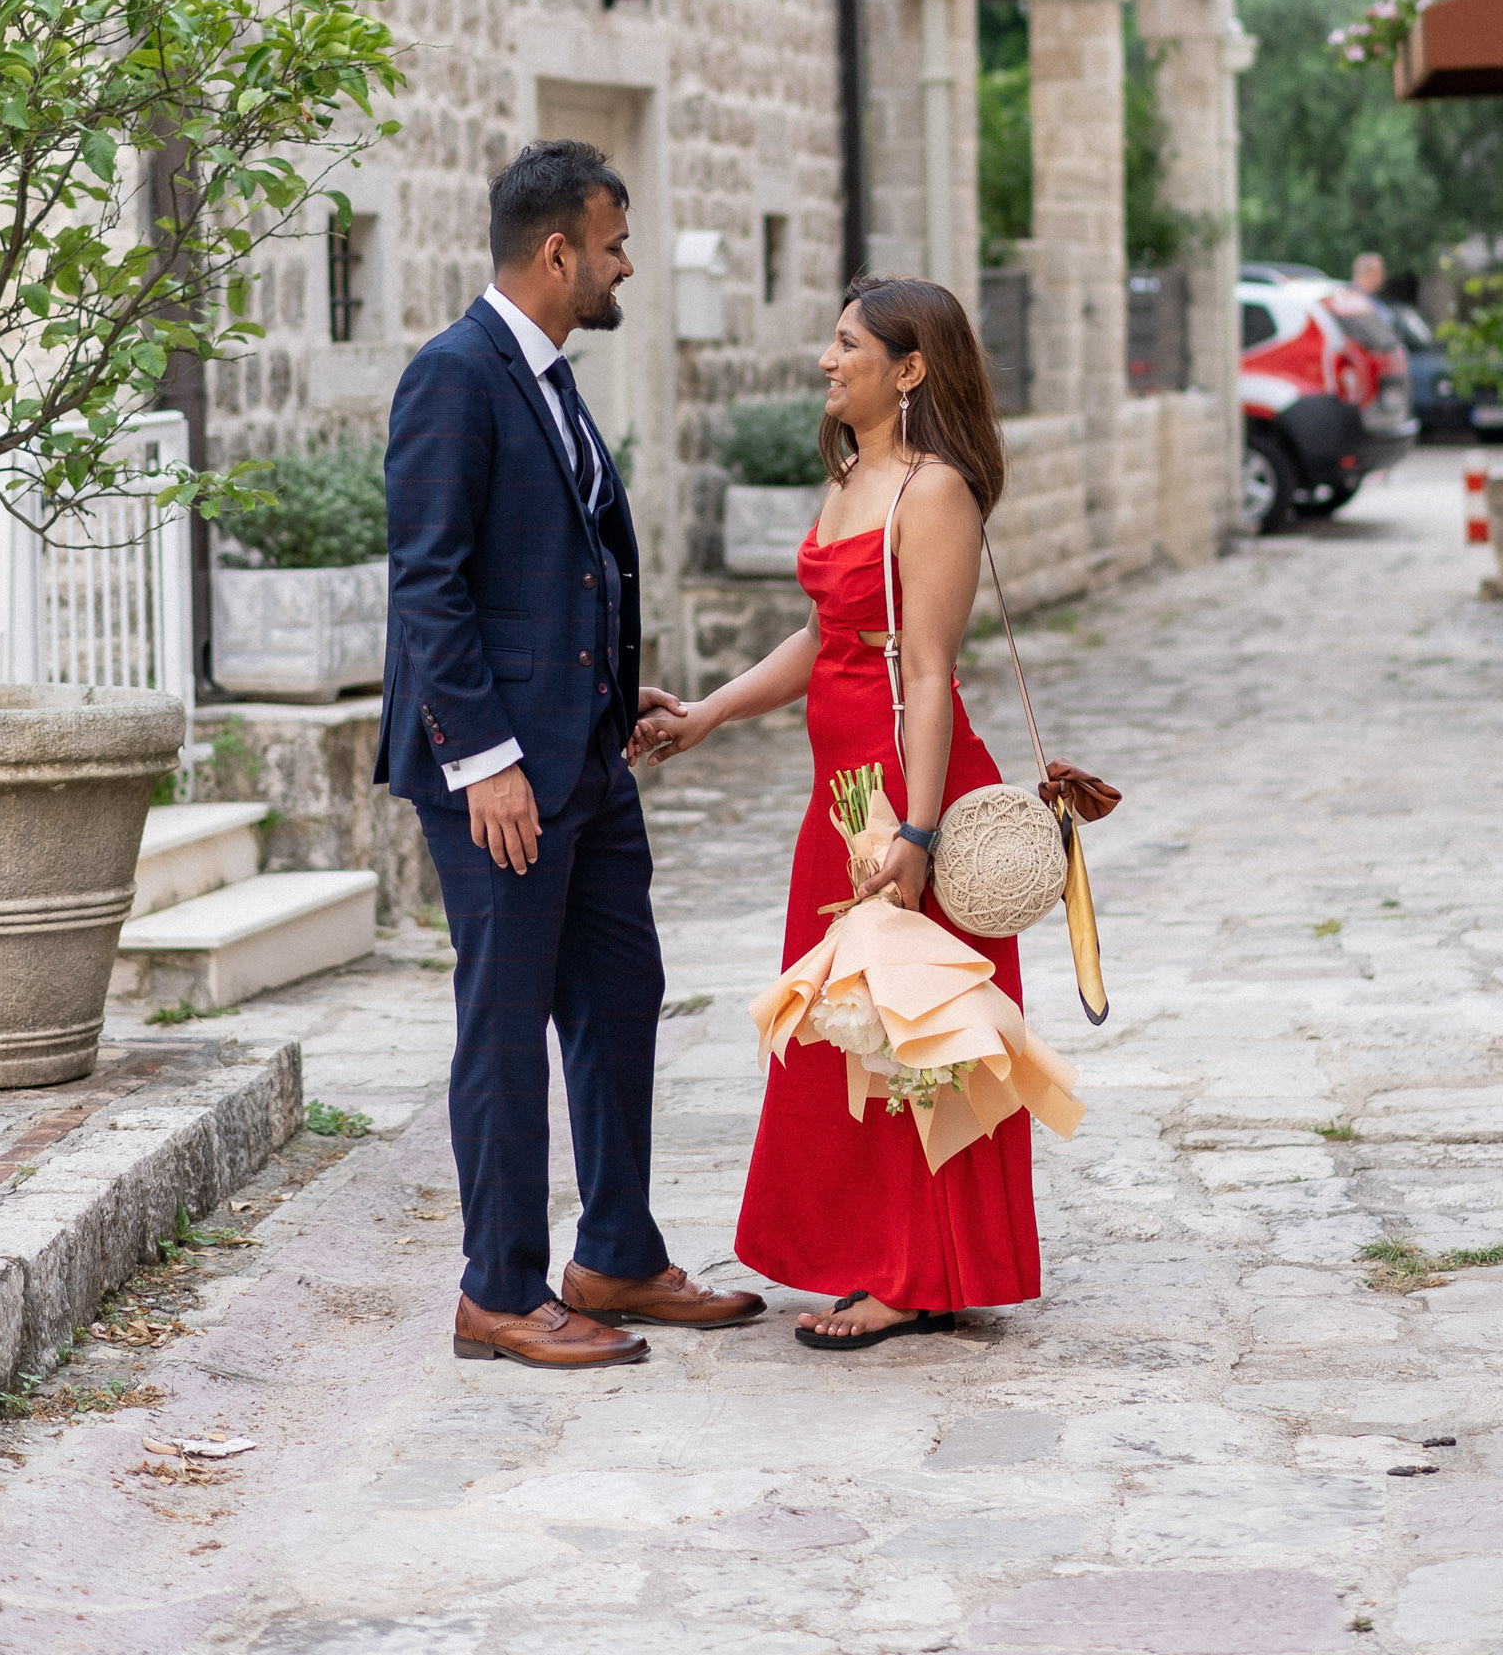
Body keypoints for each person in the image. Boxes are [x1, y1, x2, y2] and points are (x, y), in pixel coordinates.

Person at [377, 140, 764, 1366]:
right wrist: (483, 756)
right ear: (557, 252)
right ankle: (497, 1288)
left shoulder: (547, 375)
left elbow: (552, 565)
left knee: (619, 998)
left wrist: (602, 686)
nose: (626, 266)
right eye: (611, 245)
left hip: (584, 757)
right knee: (504, 1023)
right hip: (500, 780)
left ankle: (615, 1253)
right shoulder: (452, 375)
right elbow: (428, 586)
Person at [633, 276, 1039, 1349]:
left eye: (847, 344)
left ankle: (916, 1271)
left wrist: (914, 833)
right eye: (831, 340)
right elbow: (826, 638)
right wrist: (709, 713)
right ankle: (886, 1256)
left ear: (907, 370)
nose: (825, 358)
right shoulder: (853, 473)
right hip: (839, 800)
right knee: (851, 1042)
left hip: (902, 794)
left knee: (917, 1040)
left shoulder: (932, 491)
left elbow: (929, 674)